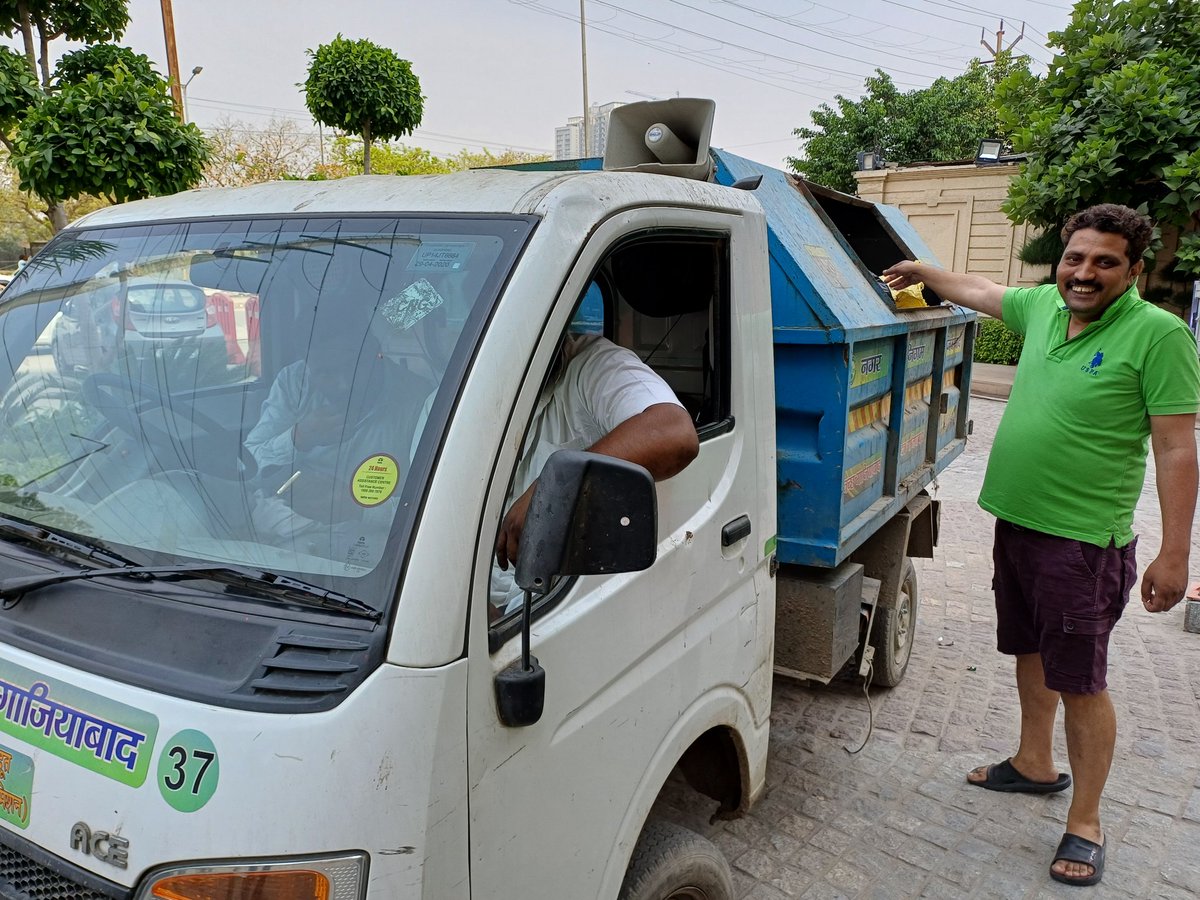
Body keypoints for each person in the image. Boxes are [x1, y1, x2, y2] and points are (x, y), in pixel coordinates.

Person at [883, 204, 1200, 888]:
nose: (1084, 273)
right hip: (1017, 524)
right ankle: (1034, 763)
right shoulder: (1045, 310)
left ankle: (1086, 821)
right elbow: (979, 290)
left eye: (1105, 262)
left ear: (1135, 269)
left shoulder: (1160, 335)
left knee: (1081, 681)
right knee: (1029, 650)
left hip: (1084, 542)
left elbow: (1177, 448)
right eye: (1075, 258)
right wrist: (920, 271)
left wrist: (1176, 553)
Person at [491, 329, 700, 612]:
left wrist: (552, 489)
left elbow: (674, 433)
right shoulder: (450, 401)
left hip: (554, 609)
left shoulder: (592, 366)